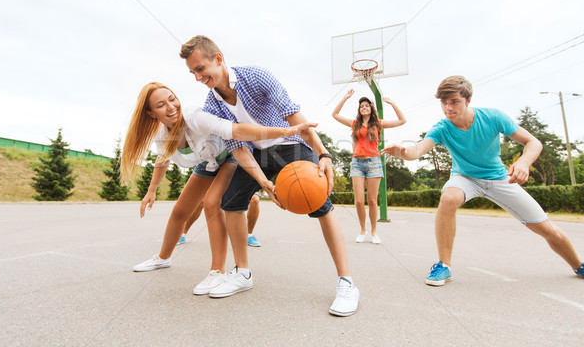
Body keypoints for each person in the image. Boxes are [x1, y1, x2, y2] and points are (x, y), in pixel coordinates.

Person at [181, 35, 360, 317]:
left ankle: (347, 282)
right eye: (192, 72)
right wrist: (263, 183)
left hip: (291, 145)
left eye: (200, 69)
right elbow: (238, 148)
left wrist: (324, 154)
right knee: (231, 202)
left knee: (320, 204)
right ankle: (242, 273)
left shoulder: (257, 77)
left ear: (218, 59)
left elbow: (295, 118)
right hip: (255, 155)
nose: (197, 77)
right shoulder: (212, 104)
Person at [382, 75, 584, 286]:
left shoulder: (493, 117)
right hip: (465, 178)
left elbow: (532, 142)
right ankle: (443, 265)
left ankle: (579, 265)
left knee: (546, 228)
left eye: (454, 102)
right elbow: (417, 150)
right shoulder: (442, 128)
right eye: (443, 102)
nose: (448, 108)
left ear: (468, 100)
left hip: (498, 179)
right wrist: (403, 153)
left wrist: (524, 163)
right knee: (449, 197)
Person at [121, 82, 315, 295]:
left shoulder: (194, 115)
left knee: (212, 202)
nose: (170, 106)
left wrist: (284, 130)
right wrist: (151, 191)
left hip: (232, 153)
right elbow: (162, 159)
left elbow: (238, 130)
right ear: (150, 113)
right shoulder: (161, 132)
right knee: (179, 211)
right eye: (161, 105)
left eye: (171, 98)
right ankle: (163, 258)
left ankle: (218, 272)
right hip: (208, 162)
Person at [332, 89, 406, 244]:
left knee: (372, 200)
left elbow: (402, 120)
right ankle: (362, 230)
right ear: (359, 110)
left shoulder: (378, 123)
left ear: (371, 108)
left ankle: (373, 232)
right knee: (359, 201)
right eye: (361, 106)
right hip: (357, 163)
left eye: (366, 105)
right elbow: (335, 114)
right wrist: (345, 98)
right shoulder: (354, 124)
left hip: (373, 162)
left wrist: (392, 103)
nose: (364, 107)